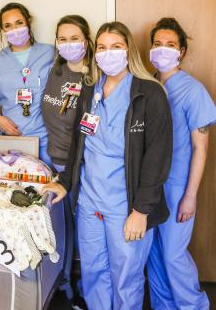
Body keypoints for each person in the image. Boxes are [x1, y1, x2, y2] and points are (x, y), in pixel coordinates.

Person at [43, 21, 172, 310]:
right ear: (94, 51)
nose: (107, 53)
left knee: (125, 277)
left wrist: (141, 210)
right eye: (102, 47)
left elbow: (158, 156)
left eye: (116, 47)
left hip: (126, 204)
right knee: (93, 272)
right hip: (90, 201)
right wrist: (65, 182)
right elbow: (80, 143)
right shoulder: (90, 90)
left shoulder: (149, 94)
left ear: (129, 51)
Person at [146, 18, 214, 310]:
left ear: (182, 52)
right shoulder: (147, 86)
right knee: (155, 255)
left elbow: (201, 148)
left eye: (170, 45)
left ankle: (193, 305)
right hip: (149, 185)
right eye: (158, 44)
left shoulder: (193, 90)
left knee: (174, 254)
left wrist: (190, 197)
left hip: (177, 187)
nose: (163, 50)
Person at [40, 15, 96, 302]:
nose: (69, 44)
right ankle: (66, 285)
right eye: (63, 38)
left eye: (75, 38)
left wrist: (71, 172)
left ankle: (89, 292)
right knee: (63, 229)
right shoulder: (56, 71)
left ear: (87, 40)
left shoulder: (95, 78)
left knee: (87, 234)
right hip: (54, 163)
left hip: (81, 168)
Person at [0, 2, 54, 165]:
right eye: (8, 26)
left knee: (46, 186)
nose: (15, 30)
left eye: (19, 23)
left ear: (28, 22)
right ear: (3, 31)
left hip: (45, 138)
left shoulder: (50, 53)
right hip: (11, 139)